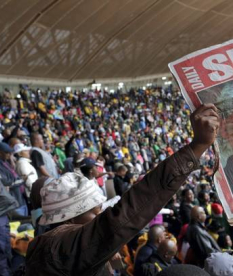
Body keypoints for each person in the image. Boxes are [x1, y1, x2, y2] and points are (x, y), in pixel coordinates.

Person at [25, 104, 220, 275]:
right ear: (69, 218)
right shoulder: (60, 246)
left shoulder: (51, 244)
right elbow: (128, 211)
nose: (101, 215)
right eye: (95, 212)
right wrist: (197, 146)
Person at [0, 142, 27, 216]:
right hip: (13, 202)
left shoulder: (5, 161)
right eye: (7, 153)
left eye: (11, 153)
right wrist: (21, 180)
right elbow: (4, 182)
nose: (10, 155)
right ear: (0, 153)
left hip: (20, 199)